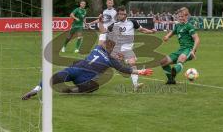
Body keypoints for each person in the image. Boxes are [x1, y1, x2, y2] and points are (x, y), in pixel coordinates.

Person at [22, 35, 153, 100]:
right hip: (81, 75)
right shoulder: (109, 57)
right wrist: (141, 71)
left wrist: (138, 70)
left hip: (78, 72)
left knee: (58, 78)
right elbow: (125, 69)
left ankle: (40, 89)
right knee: (90, 86)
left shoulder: (101, 50)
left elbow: (125, 68)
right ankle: (42, 89)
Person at [106, 6, 156, 90]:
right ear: (117, 15)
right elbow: (106, 33)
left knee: (132, 64)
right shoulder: (114, 25)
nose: (122, 15)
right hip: (117, 50)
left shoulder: (132, 22)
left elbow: (142, 30)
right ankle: (92, 76)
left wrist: (151, 31)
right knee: (106, 64)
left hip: (128, 50)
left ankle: (136, 84)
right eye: (120, 14)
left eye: (123, 14)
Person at [160, 7, 200, 84]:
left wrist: (193, 50)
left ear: (186, 16)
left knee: (181, 59)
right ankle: (171, 80)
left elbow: (197, 39)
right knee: (163, 62)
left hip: (189, 49)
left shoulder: (189, 26)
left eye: (182, 16)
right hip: (181, 50)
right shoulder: (178, 26)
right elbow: (173, 32)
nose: (180, 18)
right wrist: (167, 36)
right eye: (179, 17)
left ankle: (174, 70)